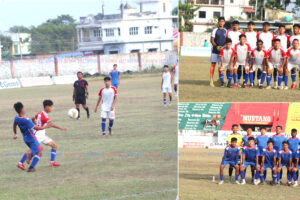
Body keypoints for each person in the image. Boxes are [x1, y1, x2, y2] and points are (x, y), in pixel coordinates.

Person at [13, 102, 48, 172]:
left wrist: (15, 134)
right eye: (24, 108)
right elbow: (36, 128)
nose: (25, 109)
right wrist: (47, 126)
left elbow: (14, 125)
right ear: (22, 109)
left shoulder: (16, 117)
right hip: (32, 138)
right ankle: (31, 167)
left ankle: (22, 162)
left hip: (26, 138)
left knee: (39, 148)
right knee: (39, 152)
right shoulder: (26, 120)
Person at [33, 100, 67, 166]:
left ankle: (52, 162)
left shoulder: (40, 113)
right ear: (47, 107)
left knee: (54, 145)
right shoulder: (44, 115)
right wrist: (61, 128)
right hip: (38, 135)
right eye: (51, 107)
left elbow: (33, 118)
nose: (52, 108)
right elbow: (51, 124)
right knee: (32, 150)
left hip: (42, 135)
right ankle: (21, 163)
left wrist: (35, 124)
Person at [210, 17, 227, 87]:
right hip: (214, 51)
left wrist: (223, 48)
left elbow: (226, 41)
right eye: (220, 21)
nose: (221, 23)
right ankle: (211, 80)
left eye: (222, 21)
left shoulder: (226, 31)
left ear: (224, 22)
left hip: (222, 52)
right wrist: (216, 46)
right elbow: (212, 40)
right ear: (218, 22)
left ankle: (220, 79)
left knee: (220, 66)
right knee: (213, 65)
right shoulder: (215, 30)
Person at [226, 20, 244, 85]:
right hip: (230, 52)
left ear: (238, 26)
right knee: (229, 66)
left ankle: (237, 81)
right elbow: (226, 41)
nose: (235, 26)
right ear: (232, 25)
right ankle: (229, 81)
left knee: (238, 67)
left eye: (236, 25)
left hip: (238, 52)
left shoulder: (241, 33)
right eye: (233, 25)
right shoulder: (229, 32)